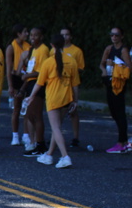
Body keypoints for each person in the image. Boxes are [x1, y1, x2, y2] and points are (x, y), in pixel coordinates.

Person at [25, 34, 78, 168]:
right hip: (66, 97)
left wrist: (31, 96)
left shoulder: (48, 62)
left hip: (53, 98)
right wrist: (75, 100)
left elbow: (39, 83)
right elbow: (75, 84)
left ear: (52, 45)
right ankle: (49, 154)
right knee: (57, 128)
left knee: (56, 128)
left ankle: (65, 156)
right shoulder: (71, 61)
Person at [100, 27, 132, 153]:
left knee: (119, 113)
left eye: (116, 35)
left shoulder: (123, 50)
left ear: (121, 36)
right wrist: (104, 70)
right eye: (112, 35)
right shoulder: (109, 48)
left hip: (119, 84)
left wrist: (115, 66)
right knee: (113, 112)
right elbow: (102, 63)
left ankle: (121, 142)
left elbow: (130, 67)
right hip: (109, 82)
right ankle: (124, 141)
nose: (114, 37)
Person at [20, 26, 51, 156]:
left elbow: (42, 72)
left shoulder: (43, 50)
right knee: (29, 115)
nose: (32, 37)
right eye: (31, 35)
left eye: (36, 35)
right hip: (30, 83)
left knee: (37, 115)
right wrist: (23, 86)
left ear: (41, 37)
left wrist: (28, 76)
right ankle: (35, 142)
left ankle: (40, 144)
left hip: (37, 84)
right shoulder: (33, 50)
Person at [5, 24, 31, 146]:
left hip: (26, 77)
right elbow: (8, 68)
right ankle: (15, 135)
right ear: (18, 34)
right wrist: (10, 85)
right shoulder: (11, 47)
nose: (27, 34)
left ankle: (26, 135)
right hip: (16, 77)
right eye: (25, 32)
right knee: (16, 108)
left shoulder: (28, 46)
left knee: (27, 108)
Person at [60, 27, 85, 147]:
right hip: (59, 84)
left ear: (71, 36)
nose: (64, 37)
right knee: (58, 111)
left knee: (73, 110)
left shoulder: (77, 51)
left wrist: (70, 69)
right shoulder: (54, 50)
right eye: (62, 35)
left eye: (67, 34)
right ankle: (56, 136)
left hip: (71, 83)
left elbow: (81, 68)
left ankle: (76, 137)